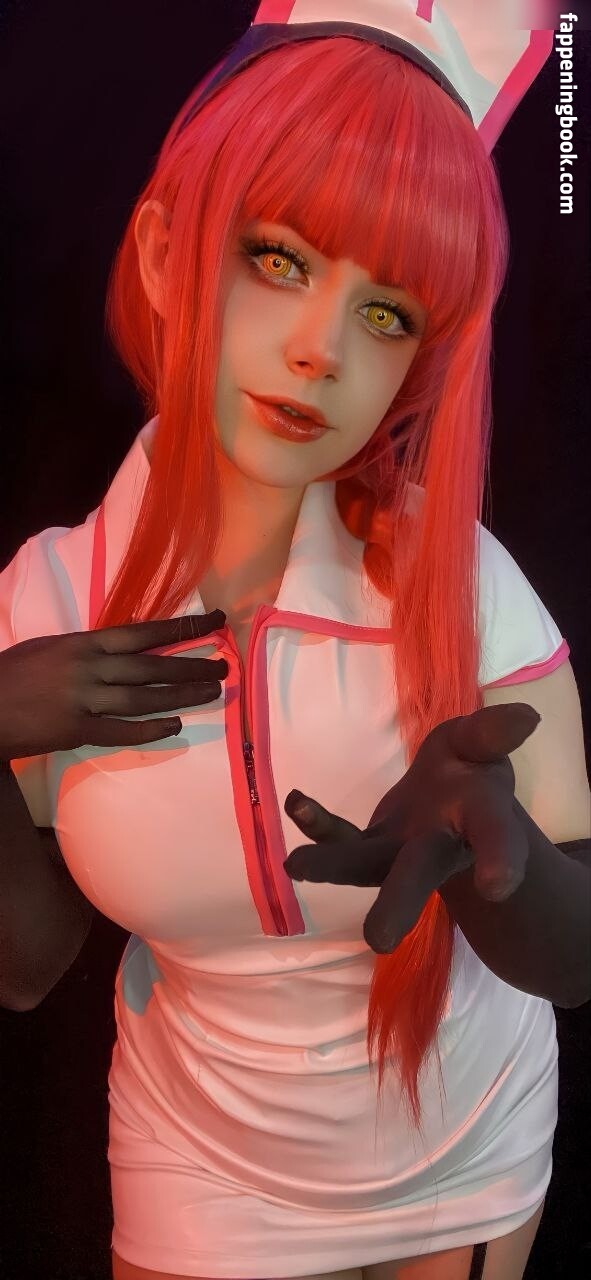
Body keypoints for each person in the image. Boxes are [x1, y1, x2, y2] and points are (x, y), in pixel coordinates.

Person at [0, 5, 589, 1280]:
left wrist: (498, 859)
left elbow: (578, 951)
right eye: (279, 258)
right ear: (166, 254)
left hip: (465, 1147)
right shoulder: (44, 601)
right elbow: (24, 967)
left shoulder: (471, 590)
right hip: (199, 1160)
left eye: (387, 314)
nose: (321, 348)